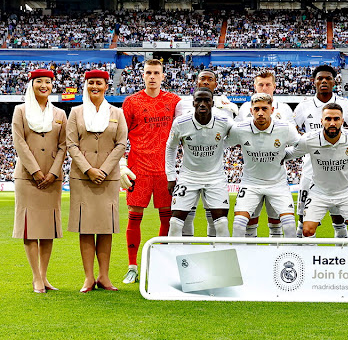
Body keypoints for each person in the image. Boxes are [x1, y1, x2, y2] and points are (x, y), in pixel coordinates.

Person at [121, 59, 181, 284]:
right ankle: (132, 266)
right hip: (138, 169)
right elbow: (121, 135)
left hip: (165, 169)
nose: (153, 76)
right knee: (134, 216)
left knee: (167, 216)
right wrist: (121, 164)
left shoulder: (174, 101)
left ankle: (159, 263)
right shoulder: (131, 102)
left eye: (157, 72)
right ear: (143, 76)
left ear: (163, 76)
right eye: (149, 73)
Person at [67, 70, 127, 292]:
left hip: (108, 178)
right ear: (86, 85)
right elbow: (71, 144)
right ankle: (88, 278)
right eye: (91, 82)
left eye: (99, 83)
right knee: (86, 228)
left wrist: (103, 169)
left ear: (106, 86)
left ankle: (104, 276)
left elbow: (121, 144)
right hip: (82, 178)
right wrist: (88, 170)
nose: (95, 86)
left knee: (105, 228)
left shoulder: (117, 113)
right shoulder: (76, 112)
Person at [12, 69, 67, 293]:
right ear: (31, 84)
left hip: (52, 179)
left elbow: (64, 146)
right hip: (27, 178)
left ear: (52, 86)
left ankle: (44, 277)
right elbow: (19, 142)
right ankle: (36, 277)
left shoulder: (60, 114)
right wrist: (35, 171)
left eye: (48, 82)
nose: (44, 85)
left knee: (47, 229)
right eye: (39, 81)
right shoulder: (20, 111)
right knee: (30, 229)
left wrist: (53, 172)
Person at [292, 65, 348, 238]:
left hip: (337, 171)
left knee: (339, 219)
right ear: (314, 82)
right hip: (310, 169)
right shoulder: (304, 106)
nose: (323, 81)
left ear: (335, 81)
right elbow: (292, 131)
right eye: (320, 78)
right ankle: (305, 256)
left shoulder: (344, 104)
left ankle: (339, 258)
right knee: (303, 219)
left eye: (328, 78)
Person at [286, 103, 348, 239]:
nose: (332, 123)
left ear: (342, 120)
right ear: (321, 121)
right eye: (328, 119)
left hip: (345, 192)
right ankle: (313, 259)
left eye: (336, 119)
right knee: (307, 231)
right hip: (319, 192)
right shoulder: (309, 139)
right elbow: (291, 153)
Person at [174, 69, 237, 238]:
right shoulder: (182, 105)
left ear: (216, 84)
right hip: (190, 171)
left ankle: (215, 255)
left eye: (210, 79)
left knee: (214, 219)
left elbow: (232, 134)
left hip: (214, 171)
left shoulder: (226, 105)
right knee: (186, 218)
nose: (206, 82)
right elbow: (177, 134)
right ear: (196, 82)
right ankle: (185, 257)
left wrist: (218, 145)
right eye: (202, 79)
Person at [227, 93, 300, 238]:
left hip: (277, 184)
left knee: (290, 226)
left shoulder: (285, 128)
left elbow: (300, 146)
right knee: (238, 225)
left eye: (264, 109)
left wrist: (285, 155)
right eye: (256, 109)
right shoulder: (240, 128)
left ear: (272, 110)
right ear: (251, 110)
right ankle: (243, 258)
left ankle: (286, 258)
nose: (260, 113)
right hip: (250, 184)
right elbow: (222, 144)